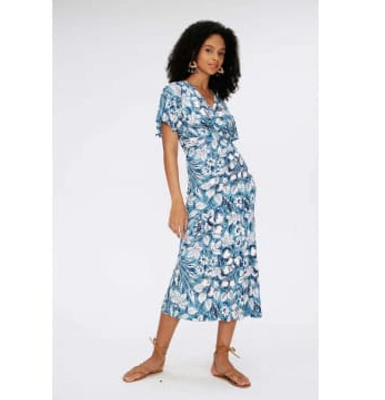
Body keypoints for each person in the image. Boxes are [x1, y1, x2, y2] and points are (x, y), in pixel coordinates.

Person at [122, 20, 262, 388]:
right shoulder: (175, 94)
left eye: (222, 53)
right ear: (193, 53)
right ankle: (158, 356)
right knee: (188, 273)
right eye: (209, 50)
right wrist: (176, 201)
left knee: (235, 273)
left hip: (238, 199)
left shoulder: (219, 99)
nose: (216, 58)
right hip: (204, 199)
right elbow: (169, 150)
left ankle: (221, 358)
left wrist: (244, 189)